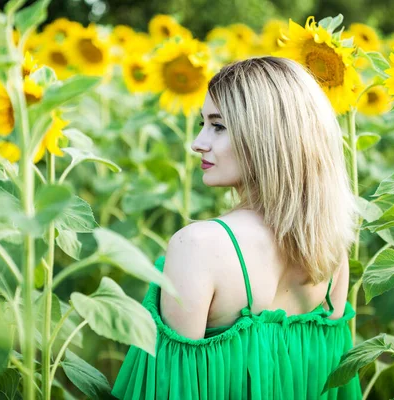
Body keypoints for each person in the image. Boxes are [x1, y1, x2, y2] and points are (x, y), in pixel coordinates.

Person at [111, 56, 362, 399]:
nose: (198, 143)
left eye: (218, 126)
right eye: (203, 124)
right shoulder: (332, 253)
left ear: (267, 136)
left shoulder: (197, 246)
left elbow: (165, 389)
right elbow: (336, 390)